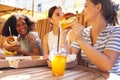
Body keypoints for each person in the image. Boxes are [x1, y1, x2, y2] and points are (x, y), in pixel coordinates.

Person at [71, 0, 120, 76]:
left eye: (86, 6)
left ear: (98, 7)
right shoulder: (84, 32)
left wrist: (81, 40)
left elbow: (107, 66)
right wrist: (63, 37)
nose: (83, 11)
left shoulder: (116, 31)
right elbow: (70, 56)